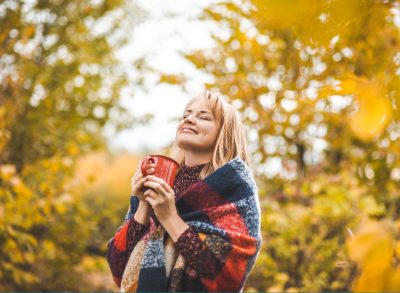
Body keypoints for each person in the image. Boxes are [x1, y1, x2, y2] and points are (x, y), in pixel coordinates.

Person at [107, 90, 261, 292]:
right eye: (186, 115)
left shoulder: (234, 188)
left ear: (225, 133)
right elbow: (118, 267)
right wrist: (143, 206)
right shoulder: (162, 182)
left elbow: (226, 278)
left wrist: (170, 217)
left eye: (203, 116)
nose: (189, 120)